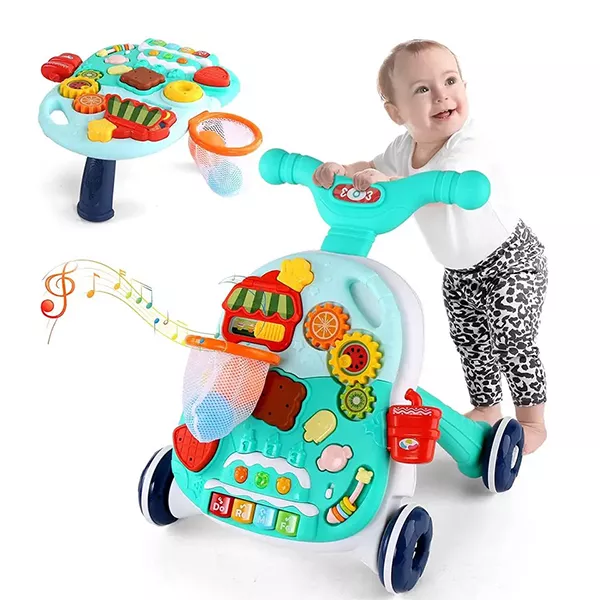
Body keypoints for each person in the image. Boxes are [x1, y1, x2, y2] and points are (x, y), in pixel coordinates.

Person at [312, 39, 548, 454]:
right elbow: (373, 167)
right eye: (422, 89)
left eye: (450, 81)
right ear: (397, 113)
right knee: (470, 341)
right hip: (459, 272)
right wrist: (342, 170)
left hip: (512, 259)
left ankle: (532, 421)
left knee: (511, 333)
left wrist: (392, 183)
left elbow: (442, 184)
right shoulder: (404, 148)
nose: (442, 95)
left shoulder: (469, 142)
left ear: (465, 87)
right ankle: (486, 407)